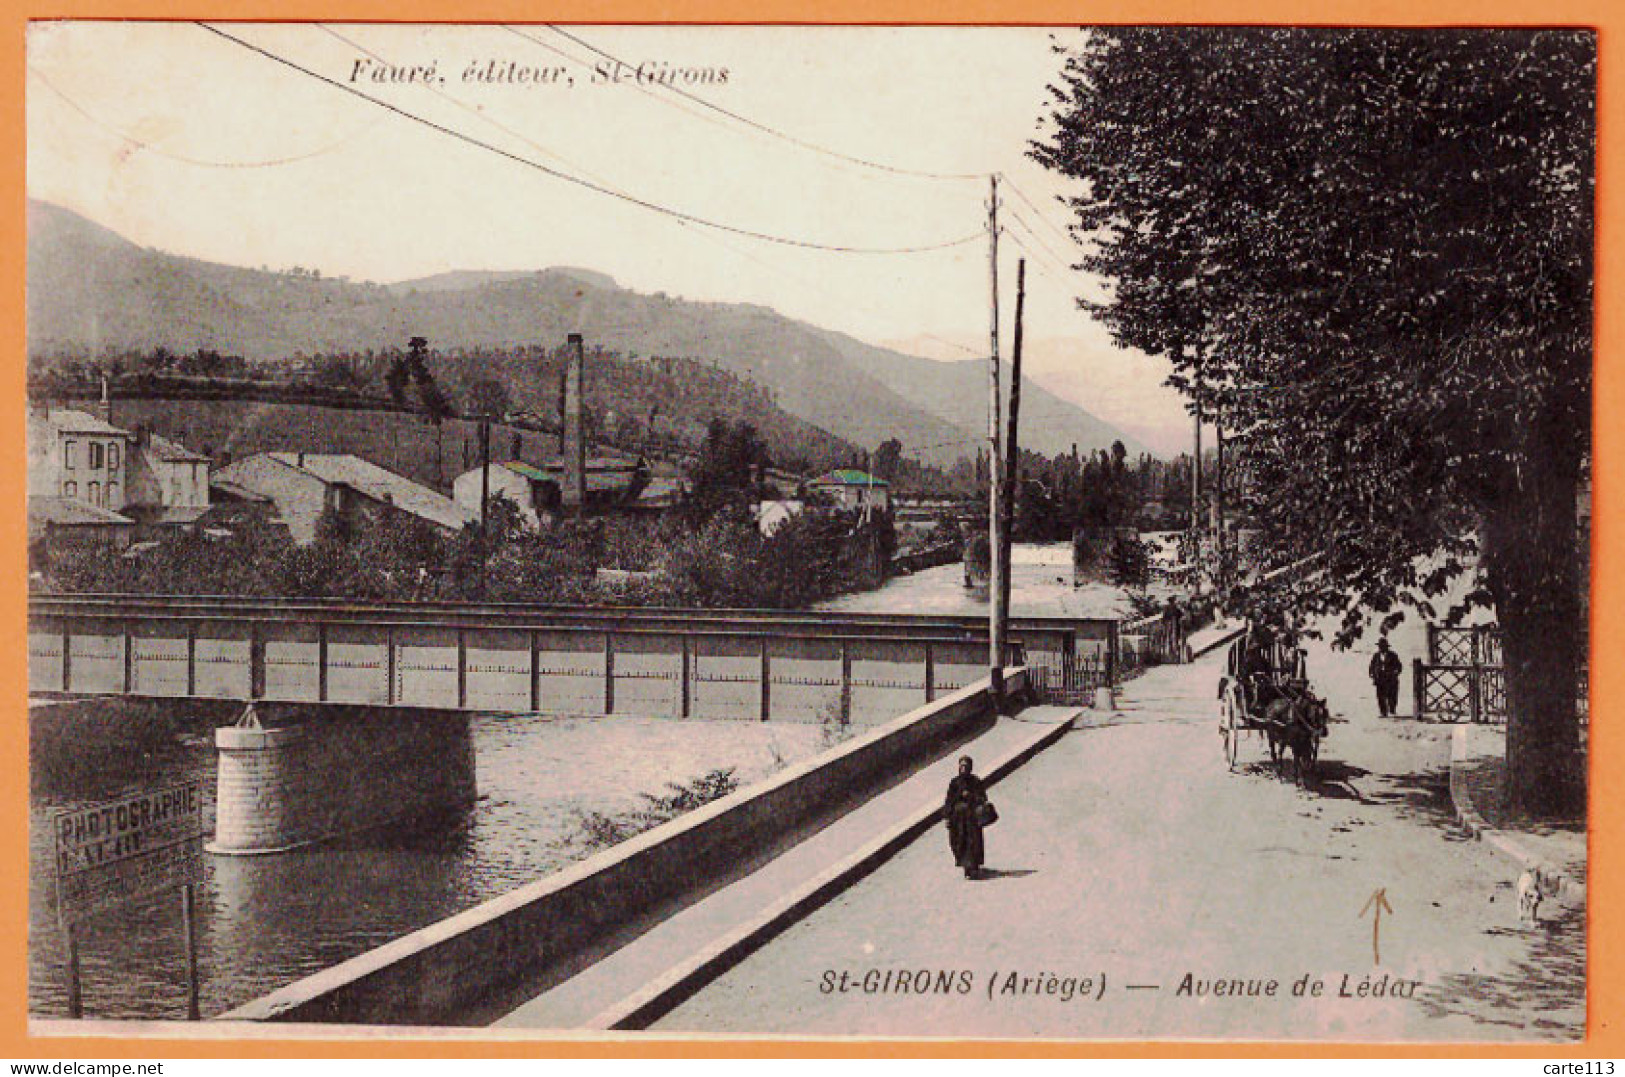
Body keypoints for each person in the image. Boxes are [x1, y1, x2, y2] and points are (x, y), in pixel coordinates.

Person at [944, 756, 989, 879]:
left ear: (970, 768)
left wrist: (971, 796)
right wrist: (947, 817)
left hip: (972, 820)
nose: (963, 769)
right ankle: (965, 865)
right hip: (958, 820)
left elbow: (983, 798)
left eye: (966, 766)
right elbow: (949, 801)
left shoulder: (976, 781)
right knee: (959, 843)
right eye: (961, 766)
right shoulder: (954, 783)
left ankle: (971, 868)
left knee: (972, 843)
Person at [1369, 637, 1403, 718]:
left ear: (1386, 647)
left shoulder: (1393, 655)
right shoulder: (1376, 656)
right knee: (1380, 696)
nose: (1381, 648)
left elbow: (1399, 666)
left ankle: (1392, 710)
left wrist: (1395, 672)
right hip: (1379, 679)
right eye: (1380, 646)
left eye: (1382, 646)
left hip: (1391, 679)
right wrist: (1372, 674)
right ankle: (1383, 712)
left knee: (1392, 695)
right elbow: (1372, 666)